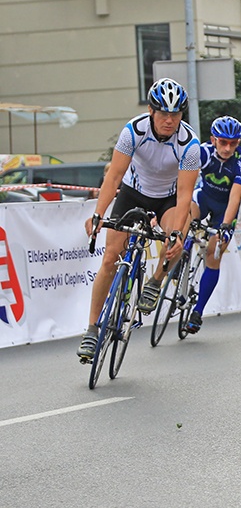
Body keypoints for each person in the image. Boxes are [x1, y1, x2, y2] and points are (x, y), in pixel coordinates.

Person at [78, 78, 201, 360]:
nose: (169, 120)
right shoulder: (133, 130)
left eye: (176, 114)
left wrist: (177, 234)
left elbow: (184, 196)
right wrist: (98, 214)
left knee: (175, 242)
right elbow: (114, 177)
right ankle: (92, 329)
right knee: (110, 258)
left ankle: (156, 281)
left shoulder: (190, 144)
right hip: (133, 192)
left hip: (168, 199)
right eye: (163, 113)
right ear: (150, 111)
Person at [183, 115, 241, 334]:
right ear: (213, 139)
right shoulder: (202, 152)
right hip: (204, 197)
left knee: (214, 254)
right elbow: (184, 183)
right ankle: (183, 249)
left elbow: (235, 197)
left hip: (225, 208)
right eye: (223, 142)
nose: (227, 147)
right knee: (185, 213)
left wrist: (224, 226)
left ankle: (197, 312)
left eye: (233, 143)